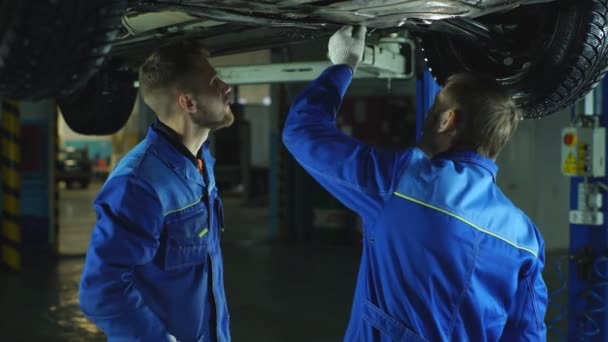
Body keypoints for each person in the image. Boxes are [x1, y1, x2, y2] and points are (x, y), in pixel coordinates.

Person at [282, 26, 548, 341]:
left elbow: (302, 131)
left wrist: (343, 64)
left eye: (435, 106)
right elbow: (527, 333)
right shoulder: (524, 234)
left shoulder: (405, 182)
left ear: (447, 120)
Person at [79, 40, 234, 342]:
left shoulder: (201, 164)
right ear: (188, 102)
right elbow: (100, 292)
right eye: (215, 83)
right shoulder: (139, 184)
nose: (226, 88)